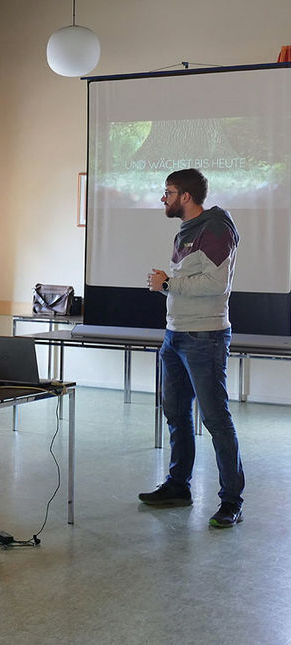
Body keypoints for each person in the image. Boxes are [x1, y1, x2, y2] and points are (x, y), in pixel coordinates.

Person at [141, 168, 244, 528]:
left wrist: (169, 282)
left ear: (186, 196)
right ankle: (178, 486)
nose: (163, 198)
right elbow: (189, 279)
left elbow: (216, 284)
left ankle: (231, 501)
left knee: (215, 420)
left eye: (168, 192)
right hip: (176, 334)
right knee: (176, 413)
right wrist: (170, 285)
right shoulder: (186, 231)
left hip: (205, 337)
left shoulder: (215, 229)